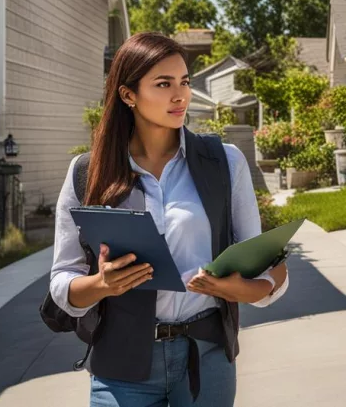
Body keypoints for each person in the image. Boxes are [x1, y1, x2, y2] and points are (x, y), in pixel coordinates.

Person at [49, 32, 289, 407]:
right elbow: (62, 279)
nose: (180, 95)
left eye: (185, 82)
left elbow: (264, 267)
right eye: (163, 84)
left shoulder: (224, 162)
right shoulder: (87, 172)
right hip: (121, 366)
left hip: (205, 359)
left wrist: (238, 290)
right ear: (128, 95)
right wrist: (101, 284)